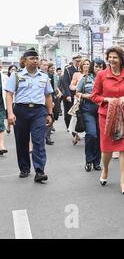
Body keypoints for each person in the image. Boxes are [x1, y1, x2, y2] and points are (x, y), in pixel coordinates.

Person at [91, 47, 124, 195]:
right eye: (109, 57)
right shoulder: (101, 75)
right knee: (107, 149)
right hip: (106, 116)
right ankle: (105, 169)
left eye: (114, 57)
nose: (111, 60)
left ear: (121, 59)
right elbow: (94, 96)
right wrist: (107, 99)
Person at [5, 48, 54, 182]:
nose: (35, 61)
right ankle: (24, 168)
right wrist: (10, 113)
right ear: (24, 61)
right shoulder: (16, 75)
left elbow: (48, 96)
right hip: (20, 110)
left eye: (36, 58)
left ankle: (39, 171)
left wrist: (50, 114)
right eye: (32, 58)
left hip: (38, 111)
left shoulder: (44, 76)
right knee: (22, 141)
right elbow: (9, 94)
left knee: (39, 141)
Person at [77, 59, 105, 172]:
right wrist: (87, 96)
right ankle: (88, 160)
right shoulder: (86, 78)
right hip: (88, 109)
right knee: (92, 134)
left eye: (101, 67)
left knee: (99, 136)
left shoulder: (106, 79)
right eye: (96, 66)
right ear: (93, 67)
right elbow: (77, 93)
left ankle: (96, 162)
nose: (98, 69)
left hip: (102, 109)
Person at [69, 58, 90, 145]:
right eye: (84, 64)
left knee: (87, 117)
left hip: (88, 99)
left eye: (88, 64)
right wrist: (78, 87)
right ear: (81, 65)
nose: (86, 65)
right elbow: (71, 86)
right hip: (78, 99)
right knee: (77, 117)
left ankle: (86, 135)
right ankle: (77, 134)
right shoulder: (77, 74)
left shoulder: (92, 75)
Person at [61, 55, 81, 132]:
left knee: (78, 113)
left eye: (80, 61)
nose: (78, 63)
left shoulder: (82, 69)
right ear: (73, 61)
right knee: (68, 113)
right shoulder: (68, 69)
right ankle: (70, 129)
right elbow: (65, 82)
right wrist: (68, 95)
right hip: (69, 94)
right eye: (77, 61)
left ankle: (77, 130)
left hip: (79, 95)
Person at [0, 64, 9, 156]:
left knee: (0, 123)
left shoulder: (4, 77)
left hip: (1, 104)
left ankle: (1, 146)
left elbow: (9, 92)